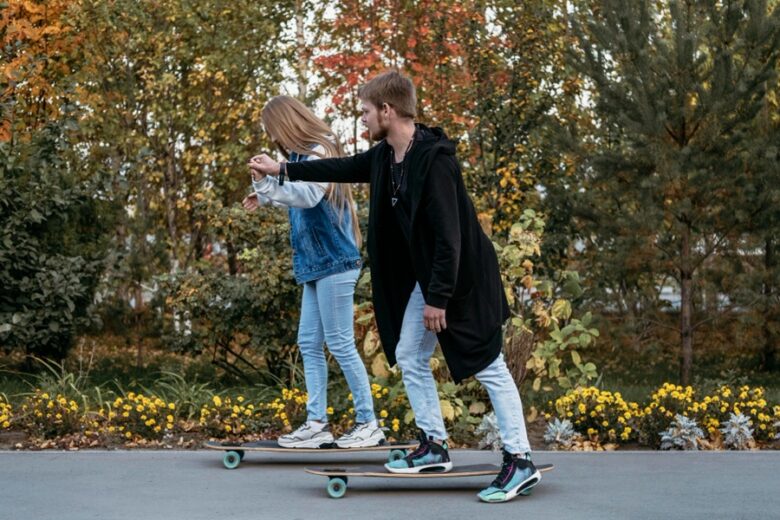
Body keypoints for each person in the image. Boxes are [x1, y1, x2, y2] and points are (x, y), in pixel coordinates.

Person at [249, 72, 541, 503]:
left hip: (464, 277)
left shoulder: (433, 159)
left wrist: (438, 298)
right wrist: (284, 169)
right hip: (433, 276)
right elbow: (343, 168)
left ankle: (520, 460)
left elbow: (450, 236)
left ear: (388, 110)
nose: (362, 118)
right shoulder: (386, 156)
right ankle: (433, 445)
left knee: (489, 364)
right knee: (409, 352)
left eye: (366, 111)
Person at [243, 95, 384, 449]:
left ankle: (369, 422)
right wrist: (262, 187)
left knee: (338, 342)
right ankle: (317, 423)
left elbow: (307, 196)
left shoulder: (320, 150)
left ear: (286, 123)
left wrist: (274, 176)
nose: (273, 138)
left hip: (336, 261)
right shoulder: (295, 158)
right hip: (313, 264)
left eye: (273, 130)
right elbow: (284, 194)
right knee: (309, 343)